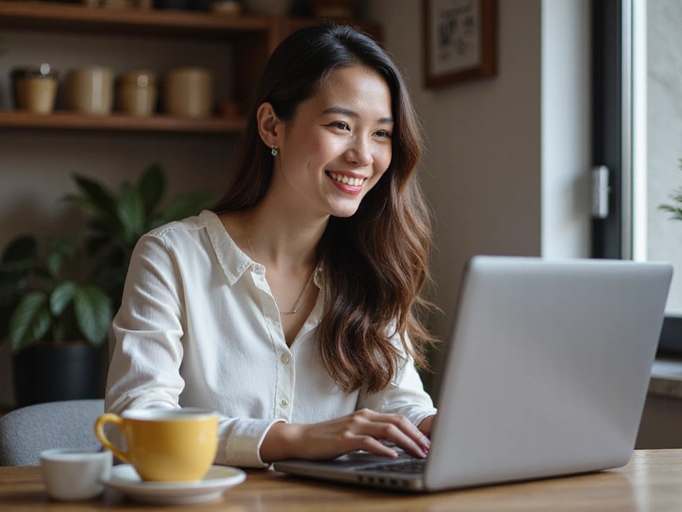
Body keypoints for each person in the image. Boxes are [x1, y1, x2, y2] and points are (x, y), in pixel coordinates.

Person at [104, 22, 438, 469]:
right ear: (270, 126)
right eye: (341, 125)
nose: (364, 155)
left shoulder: (372, 268)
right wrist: (294, 439)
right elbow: (137, 420)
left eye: (381, 133)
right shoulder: (172, 257)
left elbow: (400, 404)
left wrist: (438, 425)